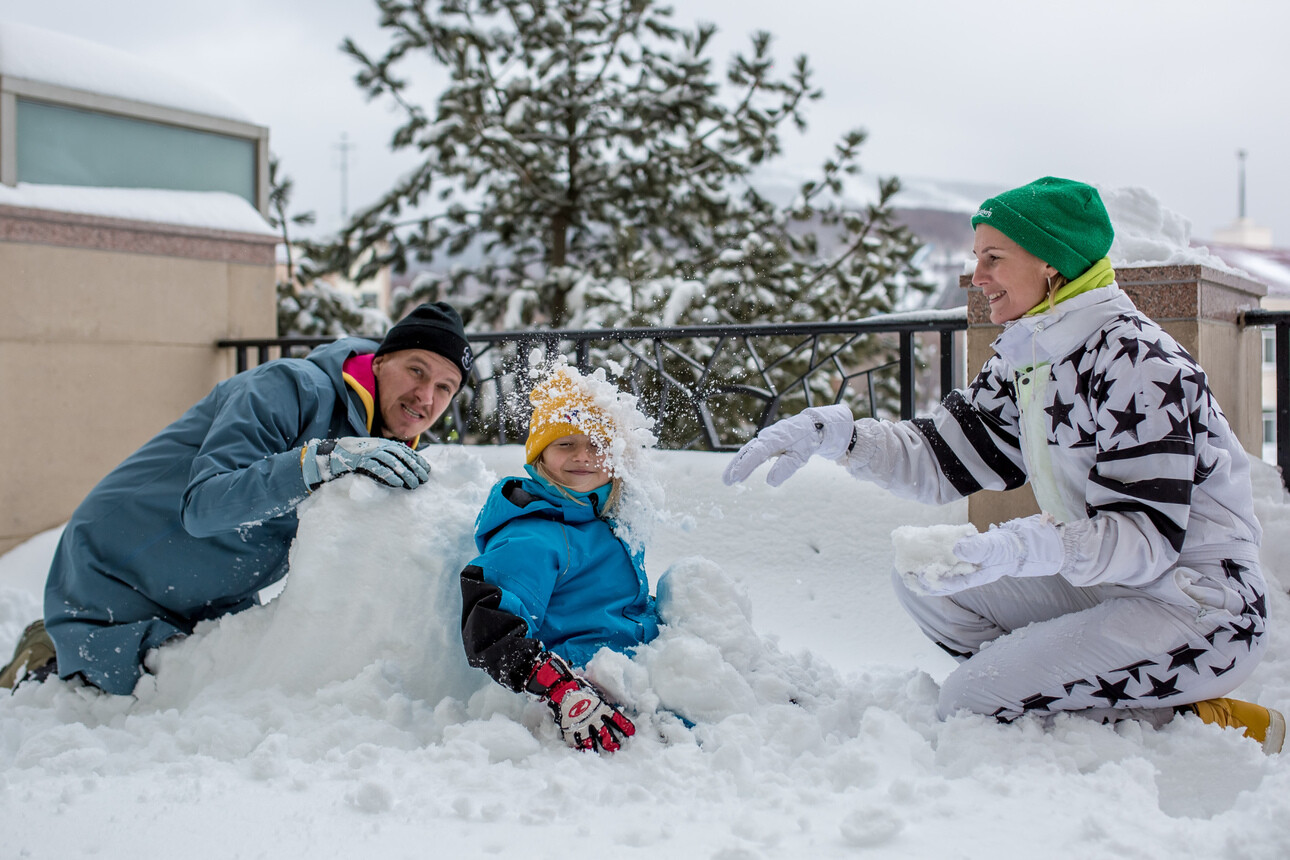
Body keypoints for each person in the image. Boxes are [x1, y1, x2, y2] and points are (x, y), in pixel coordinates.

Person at [723, 177, 1284, 753]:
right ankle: (1052, 686)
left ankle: (1196, 719)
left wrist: (1020, 547)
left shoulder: (1139, 363)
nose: (978, 277)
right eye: (977, 258)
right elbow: (945, 456)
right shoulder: (1033, 352)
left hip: (1200, 607)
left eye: (994, 258)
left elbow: (1146, 539)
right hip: (1108, 582)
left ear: (1051, 263)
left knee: (972, 699)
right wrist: (840, 437)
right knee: (927, 577)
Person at [0, 302, 473, 696]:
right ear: (380, 361)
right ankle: (45, 654)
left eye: (444, 388)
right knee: (126, 702)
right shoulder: (289, 388)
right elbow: (204, 507)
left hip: (206, 598)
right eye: (416, 370)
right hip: (115, 575)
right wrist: (319, 462)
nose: (425, 396)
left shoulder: (378, 451)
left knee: (219, 691)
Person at [459, 367, 659, 753]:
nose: (583, 455)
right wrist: (558, 686)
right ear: (541, 455)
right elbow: (489, 621)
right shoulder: (532, 535)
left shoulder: (608, 521)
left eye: (597, 444)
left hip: (640, 673)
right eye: (565, 443)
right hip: (586, 695)